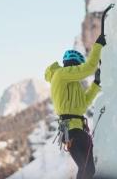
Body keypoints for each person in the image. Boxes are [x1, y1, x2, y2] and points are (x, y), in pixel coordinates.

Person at [44, 32, 107, 179]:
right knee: (86, 168)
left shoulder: (73, 85)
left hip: (78, 130)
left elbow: (83, 105)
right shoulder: (60, 75)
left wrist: (96, 84)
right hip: (71, 131)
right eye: (77, 67)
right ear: (72, 64)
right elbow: (88, 69)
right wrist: (98, 46)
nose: (78, 72)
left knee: (89, 169)